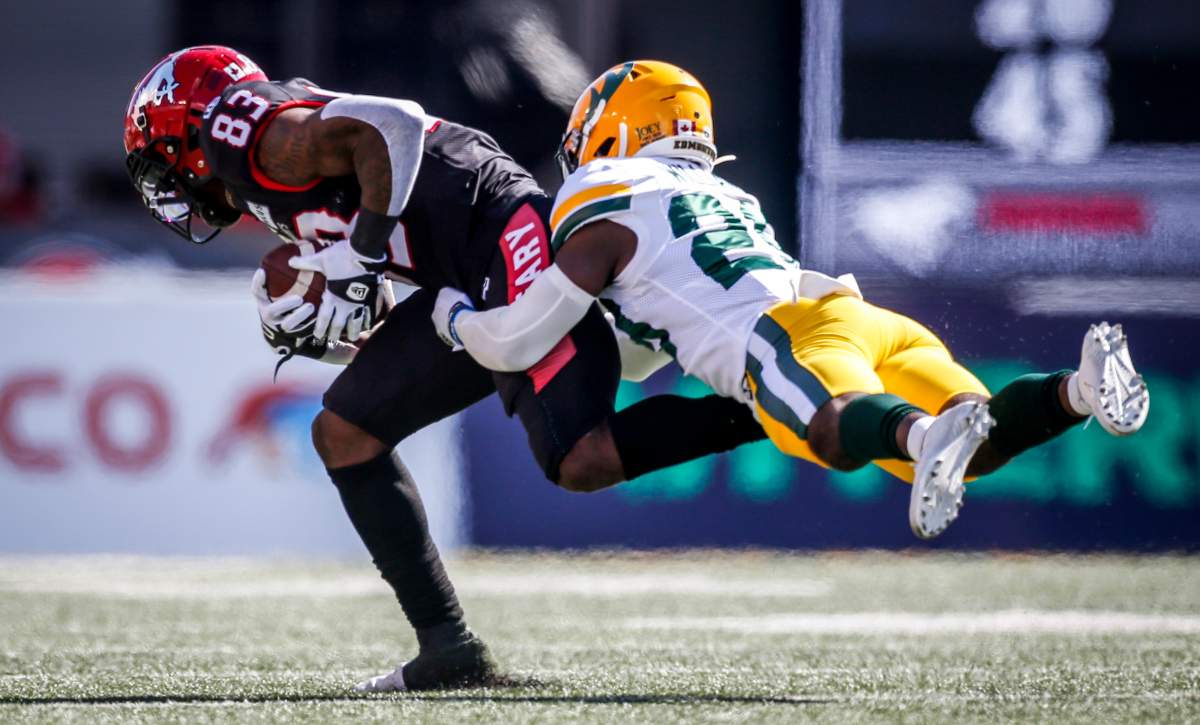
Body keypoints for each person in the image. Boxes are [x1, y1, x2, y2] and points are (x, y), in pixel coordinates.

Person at [123, 47, 766, 691]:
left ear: (188, 126)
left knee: (582, 458)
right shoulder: (267, 174)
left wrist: (360, 256)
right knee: (346, 432)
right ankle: (447, 647)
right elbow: (367, 301)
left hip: (506, 230)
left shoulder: (240, 128)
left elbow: (394, 126)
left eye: (159, 159)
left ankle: (764, 400)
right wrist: (327, 319)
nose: (165, 183)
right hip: (461, 278)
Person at [434, 60, 1150, 542]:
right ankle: (1079, 389)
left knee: (837, 434)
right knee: (983, 440)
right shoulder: (724, 193)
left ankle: (921, 436)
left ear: (620, 129)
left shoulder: (600, 199)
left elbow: (522, 339)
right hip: (857, 317)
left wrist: (456, 318)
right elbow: (643, 353)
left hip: (786, 335)